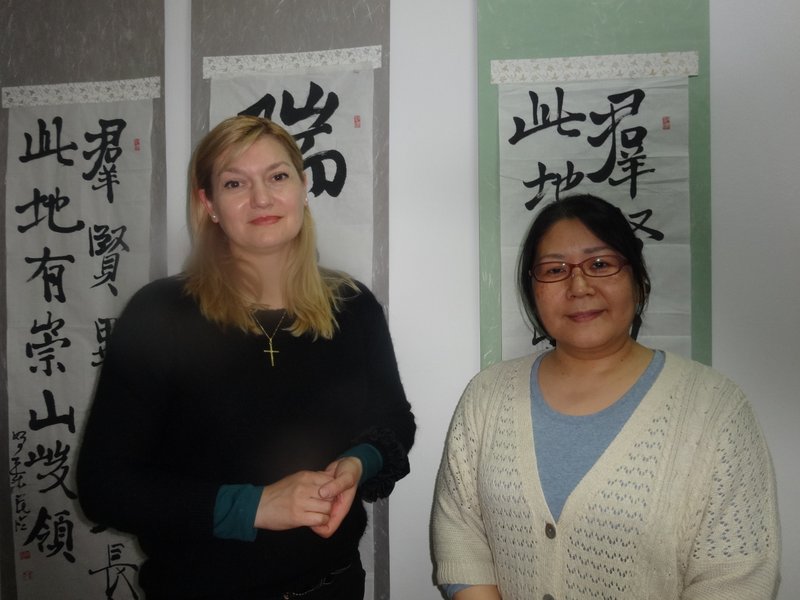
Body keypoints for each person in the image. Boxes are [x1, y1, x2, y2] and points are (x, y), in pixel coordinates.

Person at [77, 115, 415, 600]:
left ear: (303, 186)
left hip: (335, 585)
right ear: (209, 204)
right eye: (235, 183)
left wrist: (357, 464)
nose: (261, 198)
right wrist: (257, 506)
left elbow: (394, 420)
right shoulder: (160, 314)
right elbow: (105, 486)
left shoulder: (352, 305)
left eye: (277, 176)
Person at [431, 194, 780, 599]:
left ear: (638, 280)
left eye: (600, 264)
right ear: (533, 290)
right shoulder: (487, 396)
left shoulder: (715, 410)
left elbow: (737, 577)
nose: (579, 287)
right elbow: (459, 534)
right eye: (555, 270)